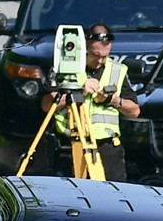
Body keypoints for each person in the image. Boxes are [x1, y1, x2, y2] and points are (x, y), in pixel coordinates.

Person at [36, 22, 138, 180]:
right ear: (84, 48)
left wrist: (112, 100)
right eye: (95, 55)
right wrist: (79, 91)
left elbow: (135, 111)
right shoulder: (66, 68)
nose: (100, 61)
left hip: (106, 148)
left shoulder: (117, 70)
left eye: (104, 56)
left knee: (111, 199)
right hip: (71, 146)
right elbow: (46, 105)